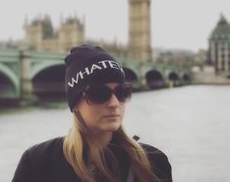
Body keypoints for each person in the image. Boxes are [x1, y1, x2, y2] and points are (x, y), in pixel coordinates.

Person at [12, 44, 172, 182]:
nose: (114, 103)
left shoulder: (153, 162)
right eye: (99, 94)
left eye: (122, 92)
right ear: (74, 103)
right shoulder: (37, 163)